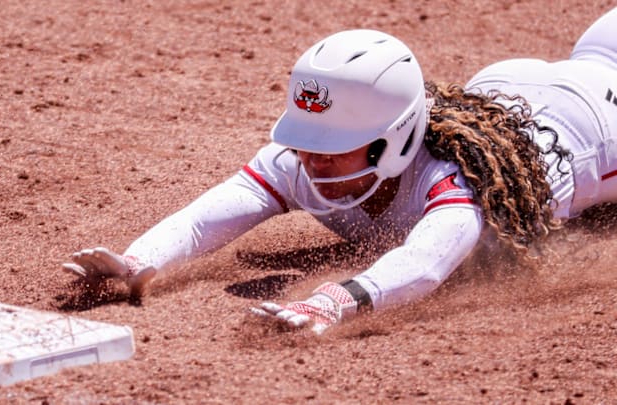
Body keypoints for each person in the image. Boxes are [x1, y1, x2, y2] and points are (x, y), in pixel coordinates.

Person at [62, 8, 617, 335]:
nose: (313, 158)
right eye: (308, 141)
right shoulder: (301, 156)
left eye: (336, 144)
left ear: (392, 140)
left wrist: (334, 300)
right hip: (516, 90)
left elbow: (425, 264)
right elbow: (207, 218)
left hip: (602, 122)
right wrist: (140, 258)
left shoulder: (455, 176)